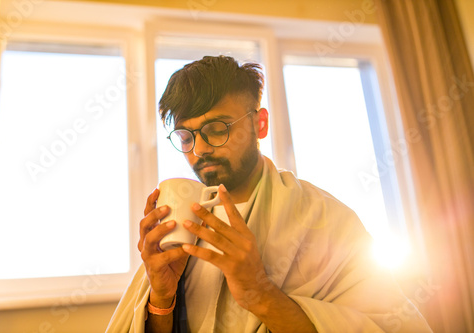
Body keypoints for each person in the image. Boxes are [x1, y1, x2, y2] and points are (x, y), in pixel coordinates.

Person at [106, 55, 431, 332]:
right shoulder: (181, 221)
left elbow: (386, 326)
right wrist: (161, 299)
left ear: (260, 124)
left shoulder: (325, 218)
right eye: (186, 137)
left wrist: (259, 294)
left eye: (217, 129)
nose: (200, 149)